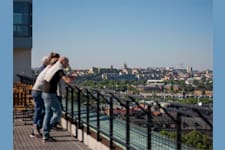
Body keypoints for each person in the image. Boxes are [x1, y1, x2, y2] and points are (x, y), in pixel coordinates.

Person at [42, 57, 75, 142]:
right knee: (58, 112)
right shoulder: (59, 69)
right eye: (67, 62)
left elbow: (61, 76)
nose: (67, 64)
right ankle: (46, 130)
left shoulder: (55, 67)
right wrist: (72, 78)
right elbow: (66, 80)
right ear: (62, 61)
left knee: (48, 113)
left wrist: (69, 76)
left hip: (45, 92)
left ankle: (45, 135)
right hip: (50, 94)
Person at [30, 52, 60, 138]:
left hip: (39, 91)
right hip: (39, 91)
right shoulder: (51, 68)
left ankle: (39, 129)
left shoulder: (48, 68)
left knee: (43, 110)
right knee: (41, 110)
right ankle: (38, 128)